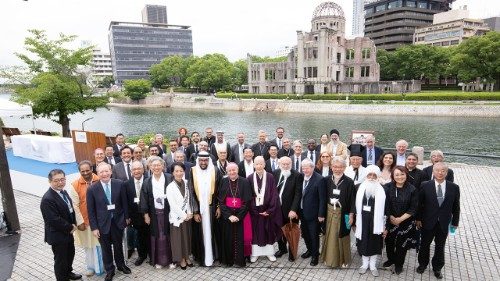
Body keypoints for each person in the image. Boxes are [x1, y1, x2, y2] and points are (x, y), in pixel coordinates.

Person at [87, 163, 130, 281]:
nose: (104, 174)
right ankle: (110, 270)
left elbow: (124, 203)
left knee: (118, 246)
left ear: (111, 171)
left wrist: (126, 217)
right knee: (105, 248)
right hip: (102, 225)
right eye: (101, 172)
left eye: (106, 171)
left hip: (118, 222)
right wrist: (94, 228)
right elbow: (90, 211)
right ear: (97, 173)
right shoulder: (92, 189)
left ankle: (121, 265)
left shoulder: (119, 184)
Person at [416, 162, 460, 279]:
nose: (440, 173)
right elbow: (420, 204)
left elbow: (456, 206)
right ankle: (422, 264)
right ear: (433, 171)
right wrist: (418, 219)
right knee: (425, 244)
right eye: (437, 170)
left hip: (444, 222)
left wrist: (455, 222)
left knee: (440, 246)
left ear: (447, 172)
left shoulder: (454, 187)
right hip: (427, 221)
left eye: (443, 171)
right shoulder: (425, 185)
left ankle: (437, 268)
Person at [41, 169, 82, 281]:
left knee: (70, 255)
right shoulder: (47, 199)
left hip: (68, 233)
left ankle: (68, 273)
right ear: (50, 181)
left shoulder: (63, 192)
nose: (60, 183)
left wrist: (74, 223)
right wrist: (70, 227)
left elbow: (70, 210)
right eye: (56, 181)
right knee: (60, 260)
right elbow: (53, 220)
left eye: (62, 179)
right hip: (58, 236)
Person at [69, 161, 104, 277]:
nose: (85, 173)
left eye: (87, 170)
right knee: (88, 246)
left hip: (100, 220)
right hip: (84, 222)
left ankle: (102, 266)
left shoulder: (100, 179)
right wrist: (80, 222)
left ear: (92, 169)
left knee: (100, 244)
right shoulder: (75, 185)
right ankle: (91, 267)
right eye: (82, 171)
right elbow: (75, 205)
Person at [320, 157, 356, 268]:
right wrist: (321, 214)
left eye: (340, 167)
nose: (337, 169)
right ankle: (328, 258)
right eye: (335, 166)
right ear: (331, 167)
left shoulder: (349, 182)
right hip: (329, 212)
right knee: (329, 235)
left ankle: (343, 260)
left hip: (344, 213)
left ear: (344, 168)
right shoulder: (325, 180)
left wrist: (351, 215)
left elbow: (352, 200)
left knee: (344, 233)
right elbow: (322, 198)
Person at [139, 156, 174, 269]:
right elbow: (143, 199)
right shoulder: (147, 181)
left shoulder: (170, 178)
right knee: (157, 237)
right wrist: (146, 215)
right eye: (154, 165)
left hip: (168, 212)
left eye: (159, 165)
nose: (156, 167)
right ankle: (158, 261)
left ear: (163, 166)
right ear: (150, 167)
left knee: (169, 236)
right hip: (154, 214)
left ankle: (171, 260)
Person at [383, 166, 418, 275]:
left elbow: (413, 208)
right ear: (393, 176)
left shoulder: (412, 189)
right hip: (390, 220)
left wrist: (400, 219)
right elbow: (385, 204)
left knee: (401, 245)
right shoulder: (387, 187)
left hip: (405, 222)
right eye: (397, 174)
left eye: (402, 174)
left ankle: (399, 264)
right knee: (389, 242)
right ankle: (391, 259)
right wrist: (391, 217)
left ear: (406, 174)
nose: (400, 177)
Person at [189, 151, 222, 266]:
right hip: (199, 210)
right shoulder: (192, 171)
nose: (203, 162)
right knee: (200, 233)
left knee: (213, 232)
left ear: (209, 160)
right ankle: (201, 257)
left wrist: (219, 207)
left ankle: (215, 256)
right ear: (198, 160)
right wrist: (195, 211)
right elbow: (191, 192)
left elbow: (219, 191)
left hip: (212, 208)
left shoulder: (215, 171)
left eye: (205, 160)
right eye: (201, 160)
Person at [247, 156, 282, 262]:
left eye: (261, 164)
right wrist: (255, 210)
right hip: (255, 213)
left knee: (268, 232)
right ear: (254, 165)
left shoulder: (270, 177)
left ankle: (269, 253)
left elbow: (274, 194)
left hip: (268, 212)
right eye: (257, 164)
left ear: (264, 164)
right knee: (256, 233)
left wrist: (270, 210)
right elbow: (249, 196)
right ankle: (255, 253)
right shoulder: (249, 178)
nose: (259, 166)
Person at [218, 162, 253, 267]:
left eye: (234, 170)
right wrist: (229, 216)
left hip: (240, 216)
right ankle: (229, 260)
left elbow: (247, 202)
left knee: (240, 238)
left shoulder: (245, 181)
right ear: (227, 172)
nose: (232, 172)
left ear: (237, 170)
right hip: (228, 217)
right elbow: (221, 201)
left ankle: (239, 260)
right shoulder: (224, 181)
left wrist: (238, 216)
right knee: (228, 238)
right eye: (229, 170)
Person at [355, 165, 386, 277]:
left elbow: (385, 209)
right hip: (362, 221)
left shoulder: (382, 189)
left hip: (376, 222)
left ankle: (372, 266)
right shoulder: (359, 187)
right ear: (366, 175)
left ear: (377, 176)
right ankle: (364, 265)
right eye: (369, 175)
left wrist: (384, 225)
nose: (372, 177)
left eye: (374, 175)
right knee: (363, 242)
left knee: (374, 243)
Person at [166, 162, 196, 269]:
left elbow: (189, 200)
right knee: (178, 239)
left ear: (184, 171)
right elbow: (173, 205)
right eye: (176, 171)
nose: (179, 173)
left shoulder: (187, 183)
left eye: (181, 171)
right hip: (177, 217)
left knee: (187, 237)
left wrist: (190, 212)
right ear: (173, 173)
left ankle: (187, 257)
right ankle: (181, 259)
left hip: (187, 216)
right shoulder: (170, 187)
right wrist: (184, 215)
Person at [273, 156, 301, 261]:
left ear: (291, 164)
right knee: (279, 231)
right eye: (283, 164)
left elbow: (298, 194)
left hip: (290, 211)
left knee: (291, 232)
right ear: (280, 164)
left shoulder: (297, 175)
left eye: (287, 164)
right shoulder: (275, 173)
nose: (285, 166)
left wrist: (293, 209)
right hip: (277, 209)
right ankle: (282, 249)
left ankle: (292, 252)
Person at [299, 158, 326, 266]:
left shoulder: (319, 179)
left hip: (314, 214)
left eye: (307, 168)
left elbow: (323, 199)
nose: (305, 170)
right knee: (305, 234)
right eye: (303, 168)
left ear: (312, 167)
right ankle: (309, 250)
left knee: (314, 235)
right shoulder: (301, 177)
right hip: (301, 212)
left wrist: (321, 214)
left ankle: (315, 255)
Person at [125, 161, 150, 266]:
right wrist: (127, 216)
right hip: (136, 216)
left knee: (150, 234)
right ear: (131, 171)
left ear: (143, 170)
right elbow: (125, 202)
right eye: (134, 169)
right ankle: (142, 255)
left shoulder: (149, 181)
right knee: (139, 236)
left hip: (149, 215)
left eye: (139, 169)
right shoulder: (126, 184)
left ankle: (152, 254)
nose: (137, 171)